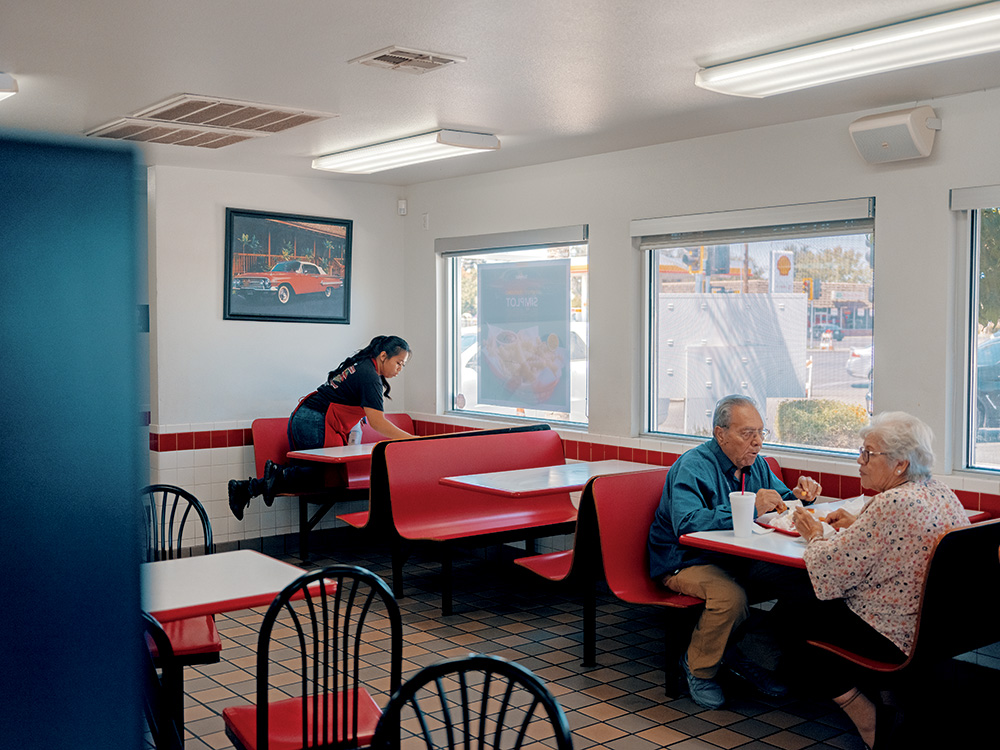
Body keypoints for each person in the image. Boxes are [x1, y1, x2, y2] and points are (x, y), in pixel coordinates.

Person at [789, 412, 968, 749]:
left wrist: (813, 535)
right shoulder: (939, 491)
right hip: (938, 629)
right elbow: (899, 537)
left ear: (900, 464)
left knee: (795, 609)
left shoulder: (890, 504)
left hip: (893, 632)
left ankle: (870, 721)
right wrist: (859, 521)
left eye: (868, 453)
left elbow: (830, 570)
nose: (860, 461)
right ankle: (890, 701)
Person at [647, 394, 822, 709]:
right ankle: (699, 667)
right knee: (731, 598)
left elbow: (780, 499)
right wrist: (748, 509)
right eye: (747, 434)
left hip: (736, 558)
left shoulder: (755, 465)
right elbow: (686, 523)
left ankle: (743, 651)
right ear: (720, 434)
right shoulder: (692, 465)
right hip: (684, 561)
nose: (756, 443)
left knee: (805, 580)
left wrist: (800, 497)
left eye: (760, 433)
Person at [228, 335, 413, 520]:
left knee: (321, 477)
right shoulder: (369, 375)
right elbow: (377, 422)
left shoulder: (363, 367)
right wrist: (412, 440)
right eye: (398, 363)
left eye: (402, 365)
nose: (399, 369)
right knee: (324, 477)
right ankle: (273, 475)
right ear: (383, 356)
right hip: (315, 420)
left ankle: (248, 487)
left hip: (306, 417)